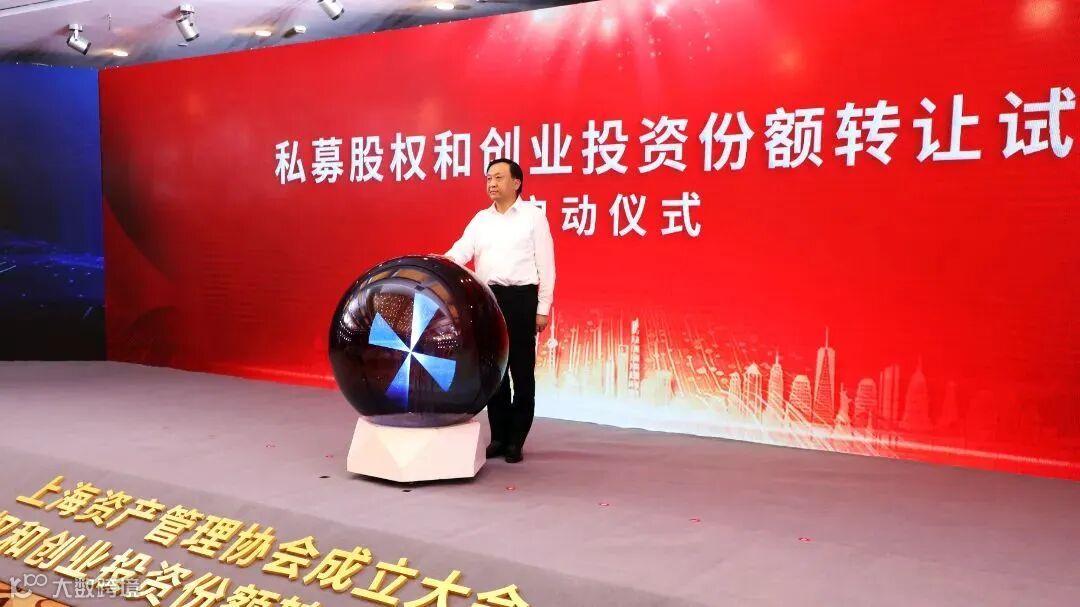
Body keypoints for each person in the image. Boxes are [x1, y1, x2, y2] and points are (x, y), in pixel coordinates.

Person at [444, 158, 555, 463]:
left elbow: (546, 265)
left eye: (498, 178)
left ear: (517, 182)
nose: (491, 184)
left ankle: (516, 440)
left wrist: (543, 308)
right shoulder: (481, 220)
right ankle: (499, 436)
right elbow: (461, 250)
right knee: (494, 372)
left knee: (521, 371)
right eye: (488, 178)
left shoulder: (533, 217)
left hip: (521, 299)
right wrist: (441, 261)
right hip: (488, 299)